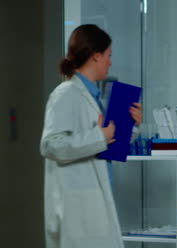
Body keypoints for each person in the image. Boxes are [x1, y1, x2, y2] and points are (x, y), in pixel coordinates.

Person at [40, 24, 142, 248]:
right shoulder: (65, 94)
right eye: (108, 55)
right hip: (77, 213)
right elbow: (50, 145)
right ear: (96, 56)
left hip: (94, 209)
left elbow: (106, 147)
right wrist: (100, 136)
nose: (110, 62)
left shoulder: (92, 96)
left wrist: (131, 126)